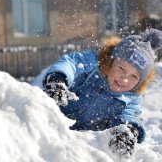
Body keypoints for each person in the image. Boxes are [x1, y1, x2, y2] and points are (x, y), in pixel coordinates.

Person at [42, 28, 162, 158]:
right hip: (51, 129)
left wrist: (129, 131)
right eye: (121, 68)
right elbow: (72, 63)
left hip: (84, 147)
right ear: (110, 61)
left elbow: (130, 116)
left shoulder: (129, 99)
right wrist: (58, 79)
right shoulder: (91, 66)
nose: (125, 78)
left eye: (134, 76)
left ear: (140, 82)